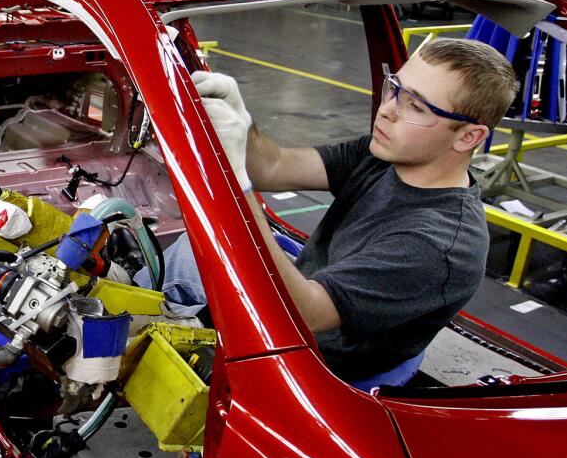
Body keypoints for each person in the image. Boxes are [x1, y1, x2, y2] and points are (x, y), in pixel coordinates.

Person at [169, 38, 519, 389]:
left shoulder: (439, 247)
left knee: (144, 327)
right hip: (301, 296)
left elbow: (299, 311)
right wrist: (243, 124)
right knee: (186, 251)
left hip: (312, 363)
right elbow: (274, 166)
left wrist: (238, 187)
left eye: (416, 107)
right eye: (394, 88)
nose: (388, 110)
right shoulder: (386, 156)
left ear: (468, 136)